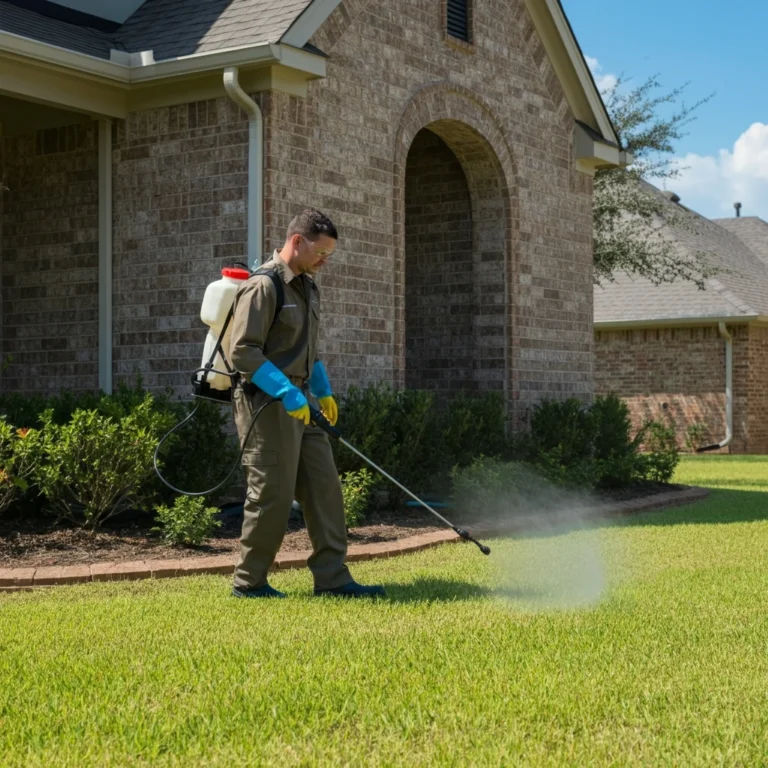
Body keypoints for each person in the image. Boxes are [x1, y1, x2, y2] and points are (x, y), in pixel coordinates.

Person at [227, 208, 385, 599]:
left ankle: (332, 579)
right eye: (321, 252)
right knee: (272, 495)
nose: (324, 261)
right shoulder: (264, 287)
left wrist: (322, 389)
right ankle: (250, 583)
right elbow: (243, 353)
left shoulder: (307, 287)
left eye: (329, 255)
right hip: (266, 405)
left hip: (302, 402)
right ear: (297, 241)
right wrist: (286, 391)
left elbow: (306, 351)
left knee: (324, 488)